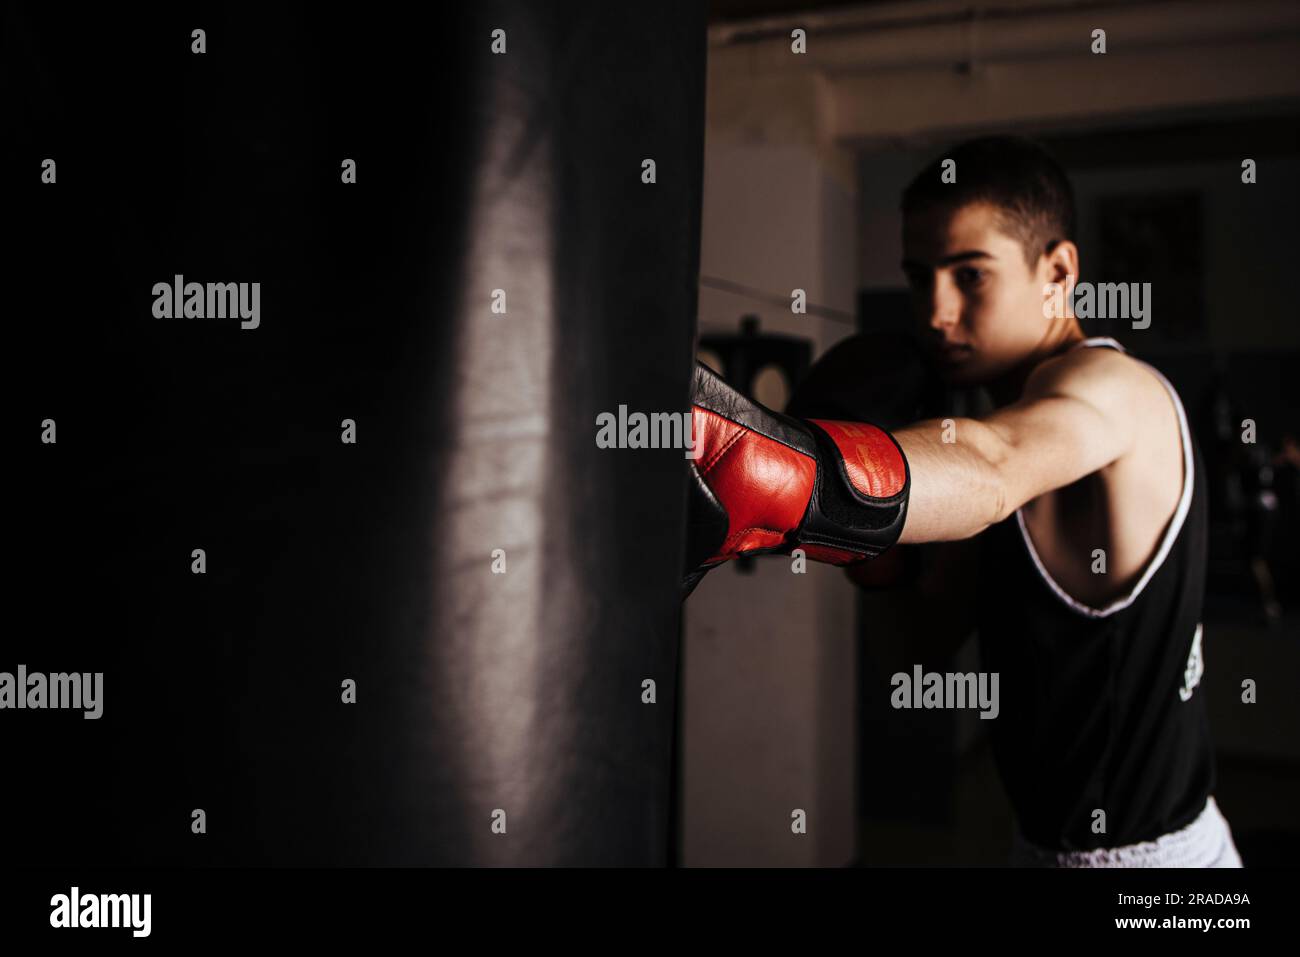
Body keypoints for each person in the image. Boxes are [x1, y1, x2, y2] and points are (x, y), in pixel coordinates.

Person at [683, 135, 1242, 868]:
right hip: (1038, 849)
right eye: (920, 278)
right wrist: (876, 557)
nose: (937, 310)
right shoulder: (977, 438)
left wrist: (784, 472)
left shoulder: (1117, 393)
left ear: (1058, 272)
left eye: (969, 275)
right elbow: (918, 644)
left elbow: (995, 461)